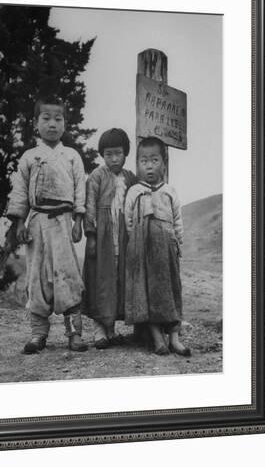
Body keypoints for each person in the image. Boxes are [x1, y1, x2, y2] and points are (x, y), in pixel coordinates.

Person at [6, 97, 89, 354]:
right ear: (35, 123)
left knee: (68, 276)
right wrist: (19, 222)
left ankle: (74, 333)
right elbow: (19, 192)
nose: (52, 124)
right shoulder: (29, 157)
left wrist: (79, 219)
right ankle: (38, 334)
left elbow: (79, 190)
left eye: (58, 119)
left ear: (65, 124)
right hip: (37, 224)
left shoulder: (72, 156)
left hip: (64, 223)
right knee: (36, 278)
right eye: (46, 118)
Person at [124, 137, 191, 356]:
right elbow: (128, 220)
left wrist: (177, 241)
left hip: (166, 248)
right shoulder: (134, 191)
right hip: (142, 250)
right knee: (147, 293)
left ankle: (174, 338)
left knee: (170, 290)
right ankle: (157, 339)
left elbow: (177, 219)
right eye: (144, 161)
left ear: (164, 162)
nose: (149, 165)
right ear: (137, 163)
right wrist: (135, 243)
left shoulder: (170, 191)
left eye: (154, 160)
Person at [82, 128, 136, 349]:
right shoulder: (96, 176)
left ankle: (111, 330)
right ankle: (98, 330)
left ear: (126, 153)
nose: (114, 159)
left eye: (118, 153)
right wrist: (92, 236)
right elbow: (89, 207)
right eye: (108, 154)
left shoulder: (130, 178)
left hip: (122, 238)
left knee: (117, 280)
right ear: (102, 155)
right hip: (102, 237)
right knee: (100, 280)